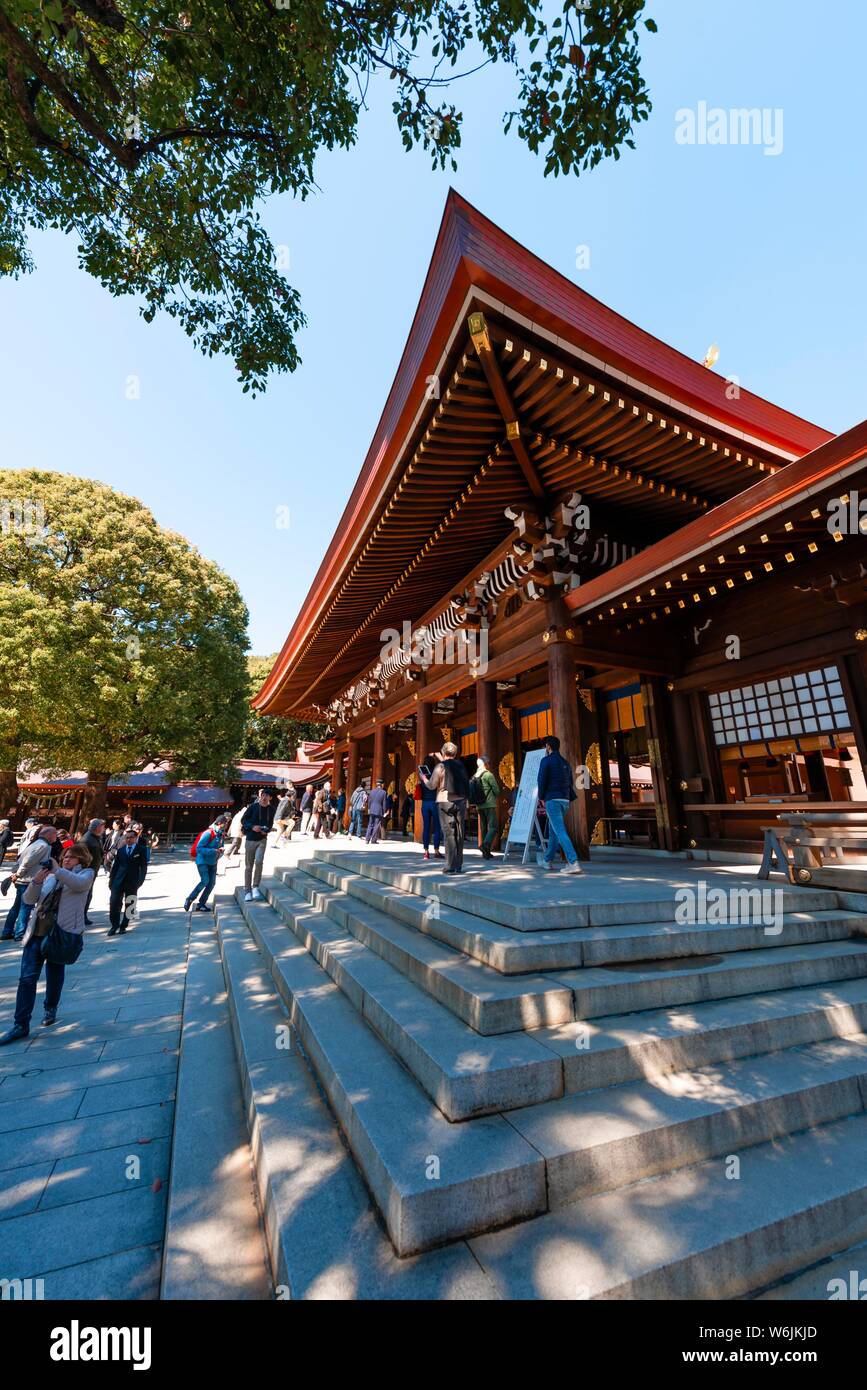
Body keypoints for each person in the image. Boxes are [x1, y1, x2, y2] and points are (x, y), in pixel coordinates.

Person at [0, 841, 95, 1044]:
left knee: (54, 974)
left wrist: (58, 870)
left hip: (59, 935)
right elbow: (28, 900)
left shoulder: (85, 874)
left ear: (81, 859)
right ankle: (20, 1024)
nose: (66, 859)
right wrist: (36, 882)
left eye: (71, 856)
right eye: (64, 856)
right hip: (37, 932)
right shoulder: (52, 876)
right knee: (26, 979)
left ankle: (50, 1007)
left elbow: (78, 885)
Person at [1, 825, 58, 941]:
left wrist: (16, 874)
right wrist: (17, 874)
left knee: (17, 907)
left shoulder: (35, 844)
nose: (56, 836)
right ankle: (20, 933)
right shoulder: (43, 846)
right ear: (49, 835)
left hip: (24, 879)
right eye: (54, 833)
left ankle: (7, 931)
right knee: (25, 907)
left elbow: (21, 859)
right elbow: (27, 862)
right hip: (28, 881)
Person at [537, 735, 583, 875]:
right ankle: (547, 860)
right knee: (554, 832)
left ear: (548, 747)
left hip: (552, 799)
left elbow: (541, 780)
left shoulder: (546, 761)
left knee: (560, 831)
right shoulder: (565, 762)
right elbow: (569, 782)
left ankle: (573, 861)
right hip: (564, 800)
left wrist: (542, 797)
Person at [420, 743, 469, 873]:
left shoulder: (441, 766)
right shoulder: (461, 766)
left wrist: (424, 779)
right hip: (461, 801)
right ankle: (458, 865)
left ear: (443, 753)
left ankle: (450, 865)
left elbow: (431, 785)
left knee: (449, 833)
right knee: (460, 833)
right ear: (455, 753)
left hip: (444, 801)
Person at [107, 827, 149, 935]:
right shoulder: (121, 850)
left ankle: (124, 925)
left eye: (131, 837)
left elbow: (143, 866)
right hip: (118, 880)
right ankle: (114, 925)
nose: (128, 840)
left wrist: (140, 880)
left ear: (136, 838)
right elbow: (115, 866)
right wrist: (111, 880)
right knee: (114, 902)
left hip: (132, 880)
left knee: (130, 903)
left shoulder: (141, 850)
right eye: (127, 838)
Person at [184, 815, 228, 912]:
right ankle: (190, 898)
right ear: (220, 823)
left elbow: (220, 847)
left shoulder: (221, 835)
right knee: (205, 881)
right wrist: (214, 851)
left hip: (213, 862)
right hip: (203, 861)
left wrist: (221, 851)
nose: (226, 825)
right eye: (225, 823)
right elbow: (199, 848)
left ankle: (201, 904)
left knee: (211, 883)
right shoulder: (209, 833)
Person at [242, 789, 275, 902]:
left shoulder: (271, 810)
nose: (264, 797)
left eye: (267, 795)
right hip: (250, 839)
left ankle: (255, 886)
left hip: (262, 839)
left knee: (259, 862)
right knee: (248, 866)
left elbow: (270, 824)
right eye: (263, 795)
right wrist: (252, 827)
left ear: (270, 798)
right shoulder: (253, 807)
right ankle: (247, 890)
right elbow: (244, 820)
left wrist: (267, 830)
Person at [473, 756, 501, 859]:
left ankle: (486, 853)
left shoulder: (475, 775)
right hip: (489, 803)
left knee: (484, 828)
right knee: (493, 827)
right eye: (488, 763)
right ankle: (485, 845)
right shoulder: (488, 775)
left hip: (479, 805)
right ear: (485, 764)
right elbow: (496, 790)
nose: (489, 764)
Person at [79, 817, 105, 925]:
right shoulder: (87, 839)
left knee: (88, 893)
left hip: (93, 870)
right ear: (98, 827)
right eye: (102, 827)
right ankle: (81, 915)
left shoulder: (95, 837)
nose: (104, 829)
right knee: (85, 894)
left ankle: (83, 914)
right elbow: (82, 856)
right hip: (87, 871)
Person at [419, 754, 444, 862]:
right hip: (435, 802)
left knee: (426, 827)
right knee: (437, 827)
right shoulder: (436, 773)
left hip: (425, 803)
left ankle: (426, 851)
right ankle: (437, 850)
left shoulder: (422, 773)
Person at [364, 780, 389, 844]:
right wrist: (384, 811)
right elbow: (384, 803)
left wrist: (369, 808)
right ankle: (373, 840)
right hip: (379, 810)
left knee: (370, 824)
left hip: (372, 809)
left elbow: (369, 801)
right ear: (381, 785)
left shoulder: (372, 791)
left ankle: (367, 839)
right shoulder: (383, 792)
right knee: (376, 825)